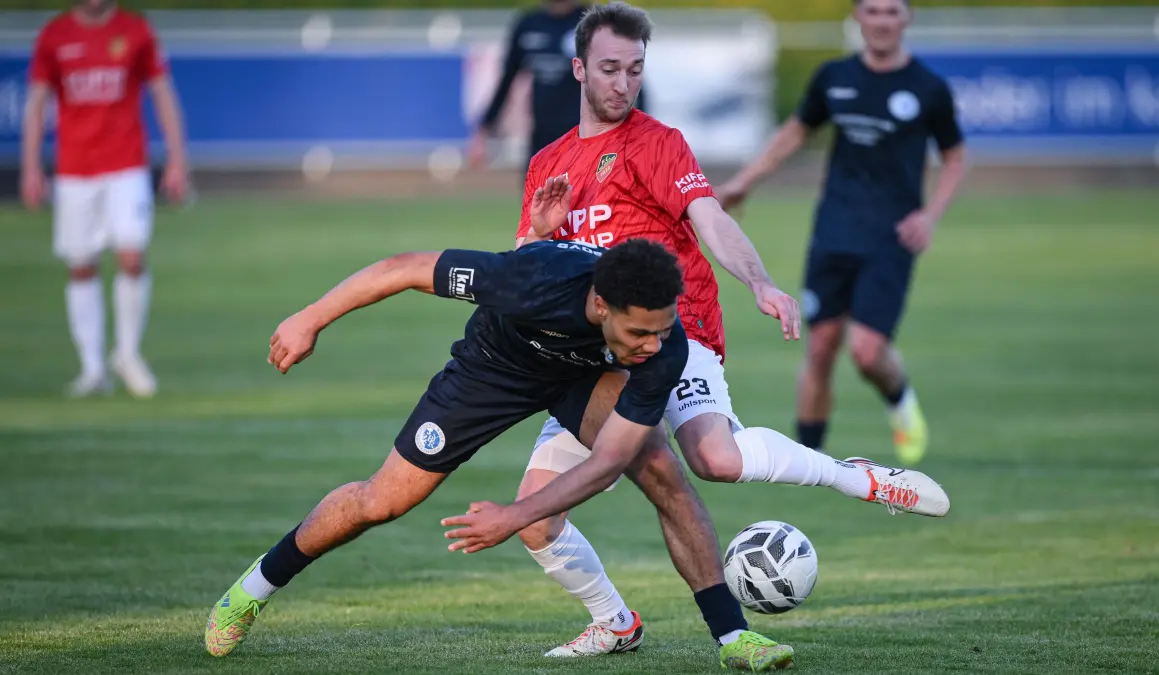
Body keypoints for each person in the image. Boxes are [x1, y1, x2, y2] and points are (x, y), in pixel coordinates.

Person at [509, 1, 950, 657]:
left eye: (635, 69)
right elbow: (522, 270)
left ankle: (850, 475)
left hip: (677, 331)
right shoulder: (549, 163)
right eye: (609, 69)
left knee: (714, 459)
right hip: (599, 357)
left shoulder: (657, 144)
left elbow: (710, 218)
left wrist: (760, 281)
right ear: (578, 69)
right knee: (535, 519)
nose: (624, 84)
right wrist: (538, 237)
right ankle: (614, 620)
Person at [203, 239, 795, 672]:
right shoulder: (533, 278)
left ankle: (732, 637)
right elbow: (403, 268)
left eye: (662, 331)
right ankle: (251, 590)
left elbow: (609, 461)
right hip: (494, 369)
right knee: (382, 501)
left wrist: (514, 517)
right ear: (599, 305)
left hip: (584, 376)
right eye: (639, 333)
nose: (654, 345)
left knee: (658, 465)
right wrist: (309, 319)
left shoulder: (663, 348)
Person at [717, 0, 969, 466]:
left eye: (891, 11)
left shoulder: (928, 88)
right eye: (872, 11)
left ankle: (900, 398)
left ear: (907, 18)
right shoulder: (834, 77)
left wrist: (929, 215)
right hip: (834, 230)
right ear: (858, 17)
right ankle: (810, 462)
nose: (882, 21)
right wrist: (742, 183)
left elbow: (955, 157)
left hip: (891, 238)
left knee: (868, 353)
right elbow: (793, 133)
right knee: (820, 348)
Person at [21, 0, 190, 399]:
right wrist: (31, 167)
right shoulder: (54, 35)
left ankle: (127, 354)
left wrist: (177, 160)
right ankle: (92, 367)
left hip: (126, 165)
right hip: (74, 169)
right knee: (81, 265)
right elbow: (37, 103)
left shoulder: (135, 30)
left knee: (131, 255)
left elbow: (162, 93)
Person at [467, 0, 645, 170]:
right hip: (542, 140)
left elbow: (629, 81)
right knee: (536, 191)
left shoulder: (596, 24)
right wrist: (484, 130)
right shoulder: (528, 24)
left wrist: (636, 132)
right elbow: (507, 80)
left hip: (586, 139)